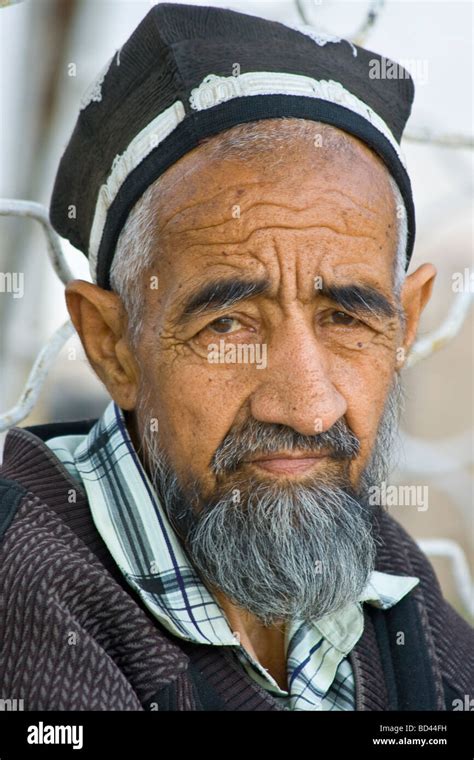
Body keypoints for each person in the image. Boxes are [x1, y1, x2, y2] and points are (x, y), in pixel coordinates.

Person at [0, 3, 472, 711]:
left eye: (346, 318)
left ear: (404, 325)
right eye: (226, 323)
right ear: (112, 346)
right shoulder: (25, 582)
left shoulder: (383, 569)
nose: (310, 406)